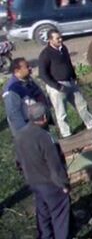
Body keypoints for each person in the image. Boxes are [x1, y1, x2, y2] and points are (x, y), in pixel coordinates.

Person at [14, 102, 71, 239]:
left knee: (43, 212)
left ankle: (45, 236)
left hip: (33, 182)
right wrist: (63, 184)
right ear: (45, 117)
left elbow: (18, 161)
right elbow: (54, 165)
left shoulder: (20, 134)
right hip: (50, 184)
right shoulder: (44, 137)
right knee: (60, 215)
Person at [39, 29, 92, 138]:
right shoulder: (45, 54)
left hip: (70, 82)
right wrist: (57, 86)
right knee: (61, 112)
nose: (60, 40)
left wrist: (74, 76)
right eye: (57, 38)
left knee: (82, 104)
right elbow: (43, 74)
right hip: (57, 87)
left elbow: (69, 63)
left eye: (61, 37)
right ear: (50, 40)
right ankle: (66, 134)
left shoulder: (63, 48)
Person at [2, 58, 48, 137]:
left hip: (41, 122)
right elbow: (14, 115)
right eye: (27, 67)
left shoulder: (28, 80)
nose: (30, 68)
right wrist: (25, 133)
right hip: (29, 129)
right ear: (17, 71)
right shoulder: (11, 90)